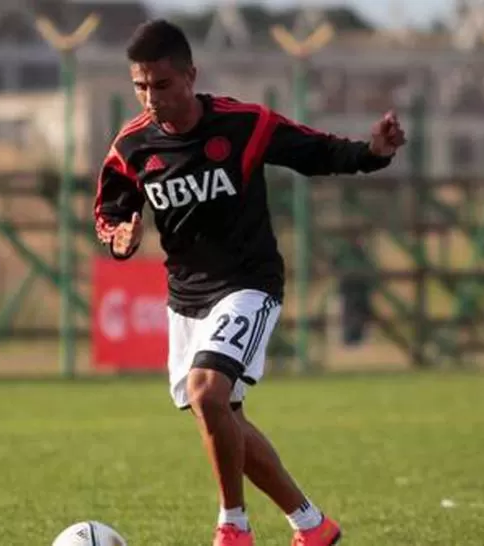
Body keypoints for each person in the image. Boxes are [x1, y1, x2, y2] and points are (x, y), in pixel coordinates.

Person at [94, 19, 406, 546]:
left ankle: (233, 527)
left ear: (190, 76)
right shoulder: (131, 146)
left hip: (248, 283)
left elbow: (317, 151)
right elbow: (110, 209)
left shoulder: (243, 125)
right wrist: (119, 236)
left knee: (206, 391)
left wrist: (372, 152)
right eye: (140, 87)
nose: (151, 98)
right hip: (185, 298)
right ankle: (312, 525)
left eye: (162, 85)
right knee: (223, 418)